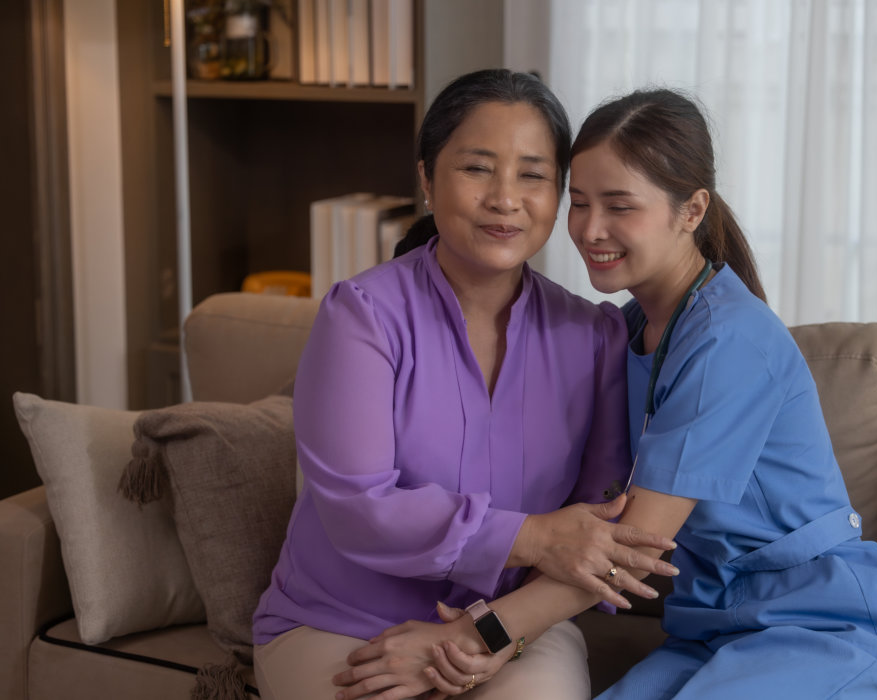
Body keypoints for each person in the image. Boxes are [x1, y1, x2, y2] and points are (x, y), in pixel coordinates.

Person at [334, 88, 877, 700]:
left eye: (620, 206)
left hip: (821, 627)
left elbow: (627, 548)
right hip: (712, 628)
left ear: (692, 210)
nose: (591, 229)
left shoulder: (730, 342)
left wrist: (472, 640)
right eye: (580, 202)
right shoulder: (627, 330)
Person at [250, 70, 679, 700]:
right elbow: (357, 509)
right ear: (427, 177)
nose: (505, 199)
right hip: (338, 624)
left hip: (513, 626)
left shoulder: (595, 336)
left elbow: (597, 528)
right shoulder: (362, 315)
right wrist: (534, 535)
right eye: (477, 168)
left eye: (532, 174)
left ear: (558, 193)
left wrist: (495, 633)